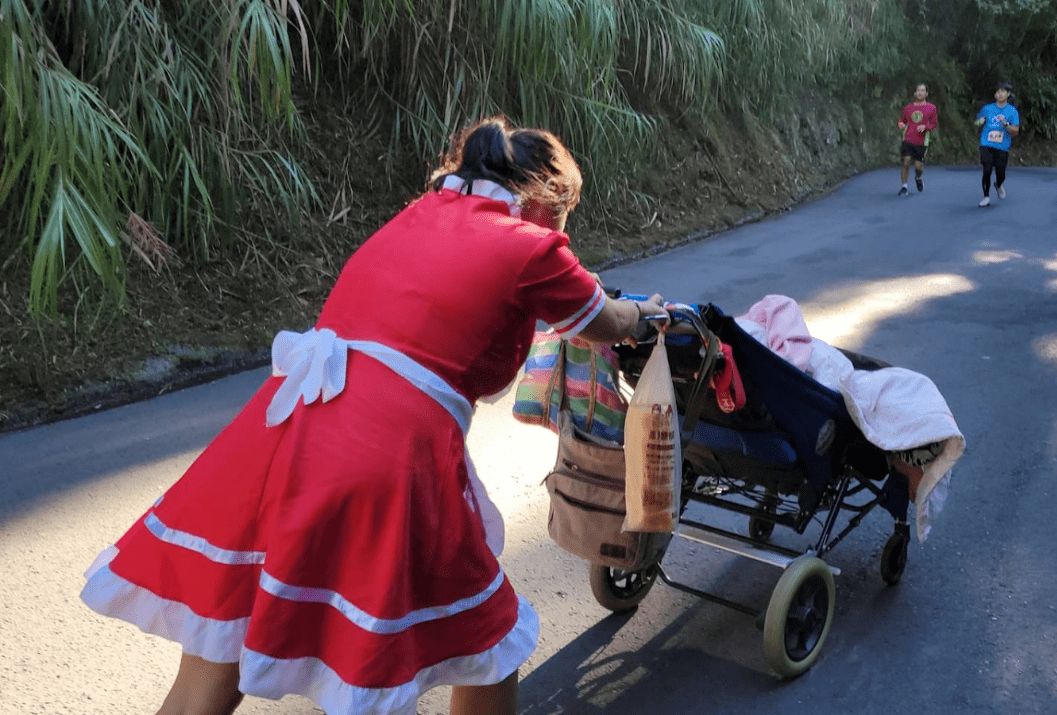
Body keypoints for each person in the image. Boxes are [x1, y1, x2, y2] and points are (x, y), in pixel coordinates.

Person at [78, 116, 665, 715]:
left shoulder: (417, 214)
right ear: (544, 200)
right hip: (386, 456)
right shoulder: (533, 248)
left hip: (282, 433)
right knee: (487, 638)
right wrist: (646, 313)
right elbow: (609, 325)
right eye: (565, 215)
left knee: (219, 648)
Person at [974, 82, 1021, 207]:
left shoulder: (1012, 111)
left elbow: (1015, 131)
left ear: (1008, 94)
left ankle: (998, 184)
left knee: (1001, 172)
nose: (1000, 94)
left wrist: (1005, 124)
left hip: (1002, 146)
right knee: (987, 169)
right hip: (986, 143)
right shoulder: (987, 108)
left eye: (1003, 92)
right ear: (995, 95)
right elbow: (976, 123)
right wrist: (980, 121)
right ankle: (986, 197)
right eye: (997, 92)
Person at [897, 83, 939, 196]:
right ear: (914, 93)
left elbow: (934, 124)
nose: (920, 93)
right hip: (908, 139)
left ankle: (918, 177)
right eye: (918, 90)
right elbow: (902, 121)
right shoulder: (908, 108)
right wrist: (901, 125)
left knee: (918, 166)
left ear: (926, 93)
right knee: (905, 161)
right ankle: (904, 187)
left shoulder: (931, 108)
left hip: (921, 141)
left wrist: (925, 127)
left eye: (922, 90)